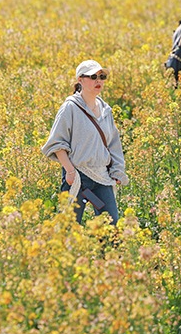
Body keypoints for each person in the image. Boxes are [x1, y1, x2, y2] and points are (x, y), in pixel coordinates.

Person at [41, 60, 128, 225]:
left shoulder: (105, 110)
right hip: (78, 177)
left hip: (102, 177)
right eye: (93, 76)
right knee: (70, 226)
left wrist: (117, 170)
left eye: (102, 76)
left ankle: (106, 252)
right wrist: (70, 171)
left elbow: (113, 144)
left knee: (110, 224)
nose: (99, 81)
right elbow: (57, 142)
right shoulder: (70, 107)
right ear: (80, 80)